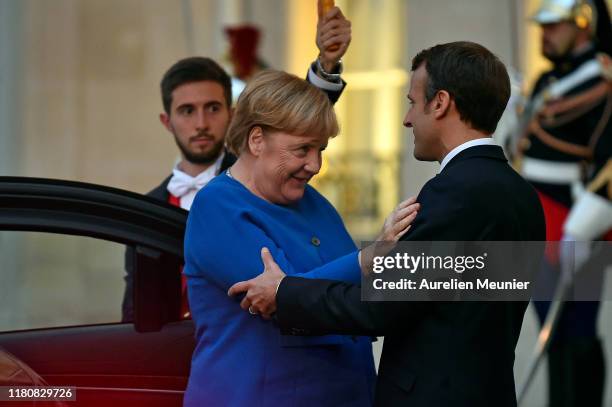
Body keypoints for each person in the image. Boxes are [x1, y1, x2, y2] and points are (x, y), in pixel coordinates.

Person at [229, 41, 546, 407]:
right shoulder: (522, 195)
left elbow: (380, 305)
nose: (407, 118)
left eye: (412, 102)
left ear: (440, 103)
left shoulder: (455, 193)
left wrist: (285, 292)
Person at [183, 70, 419, 406]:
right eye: (303, 149)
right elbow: (287, 301)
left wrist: (483, 269)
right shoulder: (218, 207)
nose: (315, 164)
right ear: (256, 140)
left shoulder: (313, 202)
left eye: (321, 149)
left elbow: (355, 292)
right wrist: (369, 258)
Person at [121, 3, 353, 321]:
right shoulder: (203, 201)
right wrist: (379, 259)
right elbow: (138, 311)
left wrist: (326, 65)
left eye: (213, 108)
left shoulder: (285, 186)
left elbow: (292, 126)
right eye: (188, 111)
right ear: (167, 121)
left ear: (232, 114)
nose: (201, 123)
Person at [514, 1, 612, 404]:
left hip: (578, 216)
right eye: (543, 26)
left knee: (576, 328)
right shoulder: (547, 81)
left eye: (554, 26)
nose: (544, 34)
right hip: (538, 214)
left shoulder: (603, 80)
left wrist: (586, 222)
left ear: (583, 25)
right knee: (549, 329)